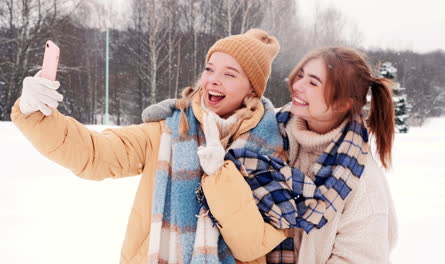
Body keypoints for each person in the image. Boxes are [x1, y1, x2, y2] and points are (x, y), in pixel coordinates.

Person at [11, 29, 289, 264]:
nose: (212, 80)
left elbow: (252, 246)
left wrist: (220, 176)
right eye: (209, 69)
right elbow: (95, 153)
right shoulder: (166, 130)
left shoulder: (269, 150)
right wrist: (35, 112)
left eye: (230, 74)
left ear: (252, 89)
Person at [144, 46, 398, 263]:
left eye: (313, 82)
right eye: (301, 75)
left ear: (343, 104)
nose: (297, 86)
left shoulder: (362, 188)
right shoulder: (271, 127)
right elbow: (230, 119)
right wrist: (184, 110)